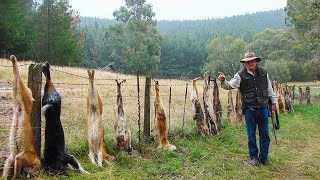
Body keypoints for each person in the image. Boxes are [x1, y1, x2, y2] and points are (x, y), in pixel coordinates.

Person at [217, 50, 276, 166]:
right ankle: (253, 157)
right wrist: (223, 81)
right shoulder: (240, 75)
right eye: (247, 62)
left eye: (252, 61)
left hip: (263, 108)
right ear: (245, 63)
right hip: (249, 109)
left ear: (256, 61)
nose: (250, 64)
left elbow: (269, 89)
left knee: (265, 134)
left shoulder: (264, 72)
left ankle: (264, 157)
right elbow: (229, 85)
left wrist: (273, 102)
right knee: (251, 134)